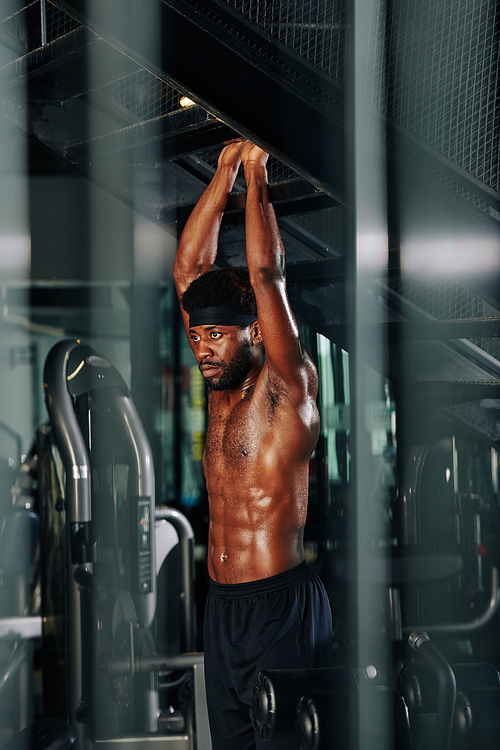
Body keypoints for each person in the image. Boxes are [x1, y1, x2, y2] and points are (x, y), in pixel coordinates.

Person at [173, 140, 333, 750]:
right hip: (223, 609)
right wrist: (219, 173)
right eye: (196, 335)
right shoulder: (218, 386)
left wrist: (257, 175)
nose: (202, 348)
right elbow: (188, 272)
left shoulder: (288, 390)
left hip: (278, 609)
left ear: (256, 332)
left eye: (216, 334)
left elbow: (267, 276)